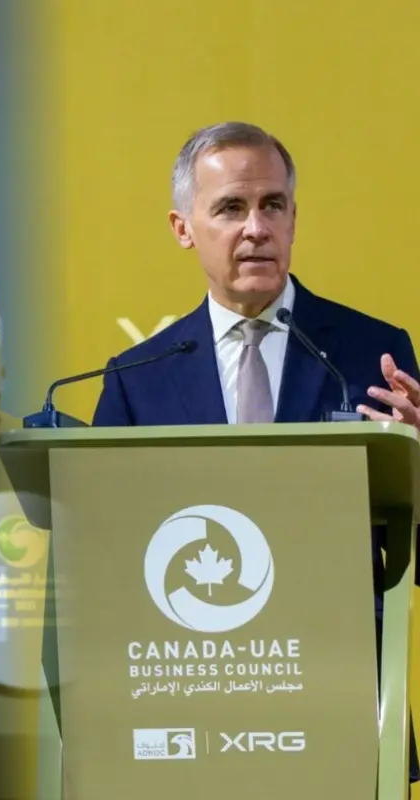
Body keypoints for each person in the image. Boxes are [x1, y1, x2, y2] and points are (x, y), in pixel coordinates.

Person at [91, 120, 419, 782]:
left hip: (339, 694)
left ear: (294, 218)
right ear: (183, 227)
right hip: (191, 701)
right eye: (230, 208)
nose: (256, 228)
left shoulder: (372, 352)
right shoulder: (139, 376)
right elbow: (101, 559)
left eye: (273, 205)